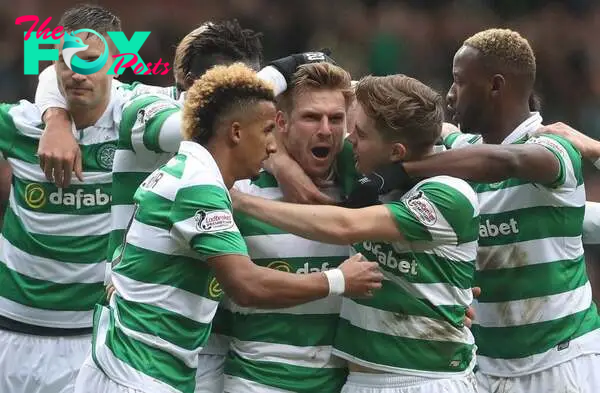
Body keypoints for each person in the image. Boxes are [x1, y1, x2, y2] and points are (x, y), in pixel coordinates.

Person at [72, 62, 383, 393]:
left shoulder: (190, 172)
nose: (272, 149)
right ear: (236, 132)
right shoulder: (198, 185)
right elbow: (247, 285)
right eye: (266, 131)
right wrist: (338, 280)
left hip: (139, 368)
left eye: (336, 119)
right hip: (136, 375)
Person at [344, 28, 600, 393]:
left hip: (561, 361)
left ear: (496, 86)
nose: (449, 95)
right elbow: (398, 113)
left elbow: (508, 161)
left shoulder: (555, 148)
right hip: (487, 367)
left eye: (459, 82)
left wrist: (400, 172)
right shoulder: (460, 149)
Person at [232, 73, 480, 393]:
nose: (346, 138)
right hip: (357, 380)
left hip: (426, 381)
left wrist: (237, 201)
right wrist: (279, 160)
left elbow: (344, 226)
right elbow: (233, 114)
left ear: (396, 152)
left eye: (358, 133)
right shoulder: (370, 180)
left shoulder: (447, 193)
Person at [0, 5, 123, 393]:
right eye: (66, 60)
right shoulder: (18, 123)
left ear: (115, 62)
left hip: (91, 339)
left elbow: (230, 111)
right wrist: (55, 118)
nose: (76, 71)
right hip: (10, 328)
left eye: (91, 60)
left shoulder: (139, 124)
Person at [224, 61, 355, 393]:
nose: (325, 129)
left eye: (336, 118)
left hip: (341, 383)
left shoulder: (362, 192)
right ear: (280, 123)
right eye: (311, 117)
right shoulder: (240, 191)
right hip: (256, 382)